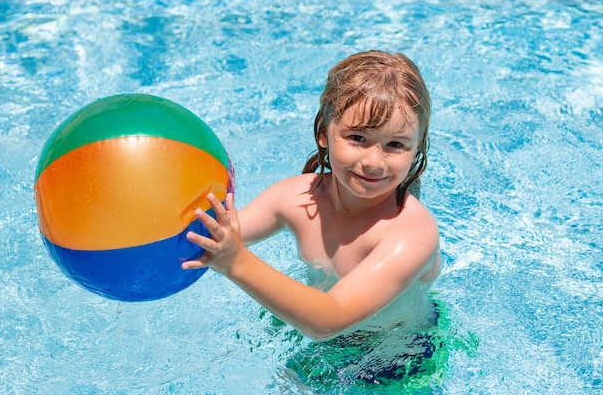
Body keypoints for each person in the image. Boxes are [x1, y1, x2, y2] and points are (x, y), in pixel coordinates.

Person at [183, 50, 441, 342]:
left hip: (402, 350)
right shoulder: (296, 198)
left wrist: (236, 263)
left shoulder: (411, 235)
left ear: (417, 148)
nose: (374, 161)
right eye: (357, 138)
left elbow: (329, 320)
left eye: (395, 144)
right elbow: (210, 238)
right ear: (323, 132)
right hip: (322, 331)